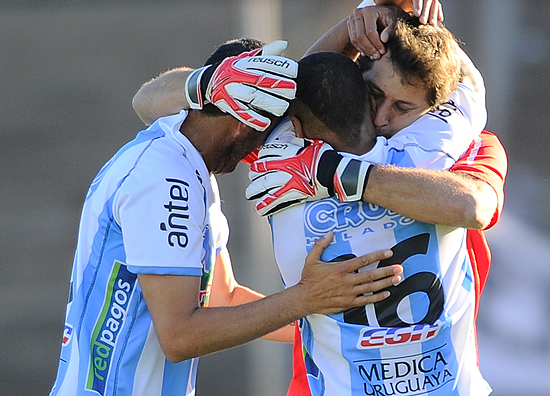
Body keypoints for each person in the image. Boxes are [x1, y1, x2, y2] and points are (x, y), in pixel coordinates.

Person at [49, 39, 404, 396]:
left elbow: (224, 297)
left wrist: (335, 323)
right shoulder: (166, 179)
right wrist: (306, 297)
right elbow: (180, 335)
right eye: (271, 132)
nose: (267, 149)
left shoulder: (187, 166)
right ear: (245, 120)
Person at [250, 50, 493, 395]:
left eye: (402, 107)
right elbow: (469, 86)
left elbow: (159, 105)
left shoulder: (275, 174)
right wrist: (400, 15)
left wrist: (360, 21)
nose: (383, 118)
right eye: (378, 98)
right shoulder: (442, 155)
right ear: (365, 100)